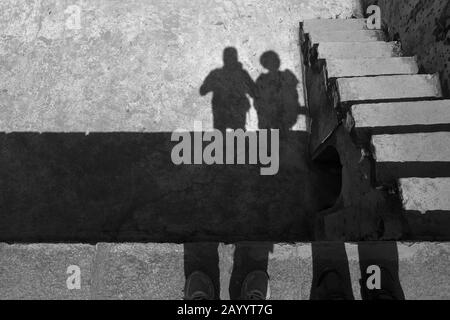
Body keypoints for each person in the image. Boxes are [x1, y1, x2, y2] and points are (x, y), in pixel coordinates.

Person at [200, 47, 257, 132]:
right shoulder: (242, 74)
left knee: (221, 138)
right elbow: (254, 92)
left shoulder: (216, 74)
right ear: (236, 58)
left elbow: (203, 90)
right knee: (237, 137)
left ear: (224, 59)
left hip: (223, 114)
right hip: (234, 113)